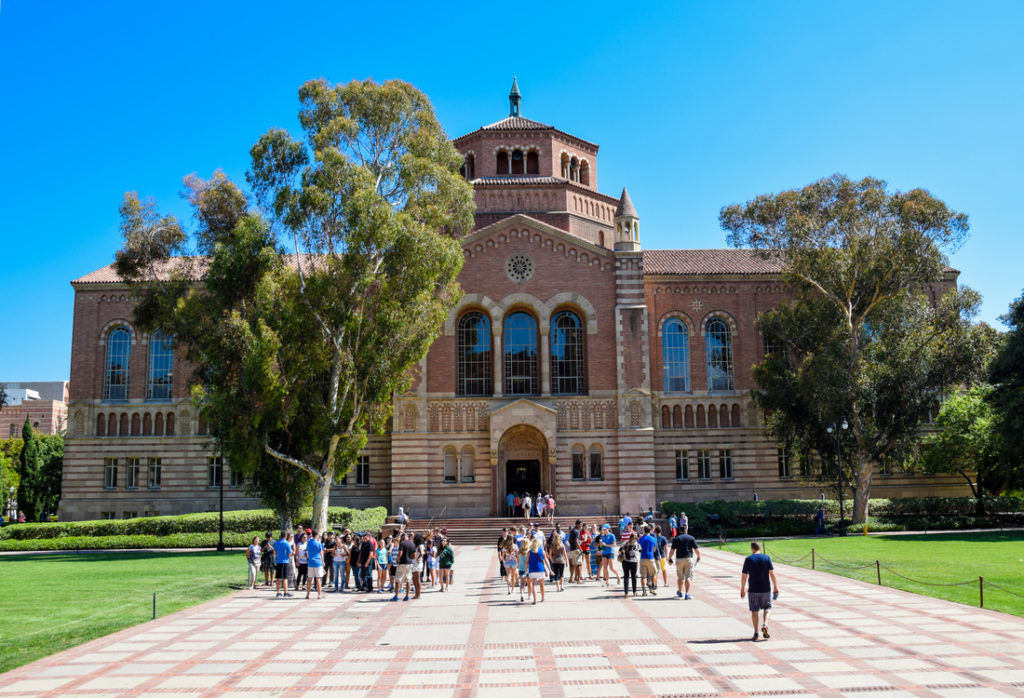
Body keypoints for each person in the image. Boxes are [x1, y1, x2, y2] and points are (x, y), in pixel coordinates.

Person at [741, 541, 779, 641]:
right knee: (768, 607)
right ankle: (765, 624)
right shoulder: (766, 558)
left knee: (754, 611)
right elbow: (772, 573)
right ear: (760, 548)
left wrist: (742, 588)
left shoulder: (748, 559)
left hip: (753, 589)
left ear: (751, 549)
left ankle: (756, 633)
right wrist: (775, 586)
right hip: (765, 588)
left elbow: (744, 575)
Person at [667, 524, 700, 599]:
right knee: (688, 577)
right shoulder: (691, 538)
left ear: (679, 531)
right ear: (686, 530)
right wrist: (698, 556)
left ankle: (680, 592)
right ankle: (687, 594)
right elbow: (696, 549)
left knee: (680, 577)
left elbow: (672, 550)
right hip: (689, 558)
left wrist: (669, 558)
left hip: (679, 559)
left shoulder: (676, 539)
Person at [526, 537, 552, 604]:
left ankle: (534, 600)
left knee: (534, 585)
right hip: (540, 569)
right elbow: (546, 561)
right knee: (542, 585)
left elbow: (527, 561)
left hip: (532, 569)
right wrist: (550, 569)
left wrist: (526, 569)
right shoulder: (542, 551)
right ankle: (543, 598)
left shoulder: (529, 552)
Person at [392, 532, 417, 602]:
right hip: (409, 564)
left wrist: (397, 559)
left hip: (402, 563)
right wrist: (409, 558)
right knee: (408, 580)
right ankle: (407, 596)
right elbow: (414, 556)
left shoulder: (402, 543)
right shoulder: (413, 544)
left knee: (398, 580)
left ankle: (396, 596)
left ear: (402, 538)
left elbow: (400, 553)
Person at [638, 524, 658, 595]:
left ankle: (643, 591)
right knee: (654, 574)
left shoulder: (641, 539)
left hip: (643, 558)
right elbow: (655, 549)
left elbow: (639, 547)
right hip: (650, 558)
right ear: (650, 530)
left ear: (644, 530)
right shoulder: (653, 539)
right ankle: (652, 588)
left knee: (643, 576)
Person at [620, 531, 641, 597]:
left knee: (626, 577)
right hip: (634, 562)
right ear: (635, 538)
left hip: (625, 561)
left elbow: (620, 550)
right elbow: (640, 550)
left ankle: (626, 593)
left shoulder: (625, 543)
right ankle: (634, 592)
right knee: (633, 577)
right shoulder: (637, 544)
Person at [273, 530, 293, 598]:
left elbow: (274, 552)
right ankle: (285, 592)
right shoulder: (287, 543)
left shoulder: (276, 543)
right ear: (286, 536)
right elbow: (290, 553)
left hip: (278, 561)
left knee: (278, 578)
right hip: (285, 561)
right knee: (285, 578)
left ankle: (278, 592)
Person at [305, 529, 325, 599]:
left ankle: (307, 594)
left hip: (310, 562)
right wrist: (323, 561)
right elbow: (321, 553)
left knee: (309, 578)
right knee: (318, 578)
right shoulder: (319, 544)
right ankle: (319, 594)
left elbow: (307, 552)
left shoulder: (308, 543)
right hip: (318, 562)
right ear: (317, 535)